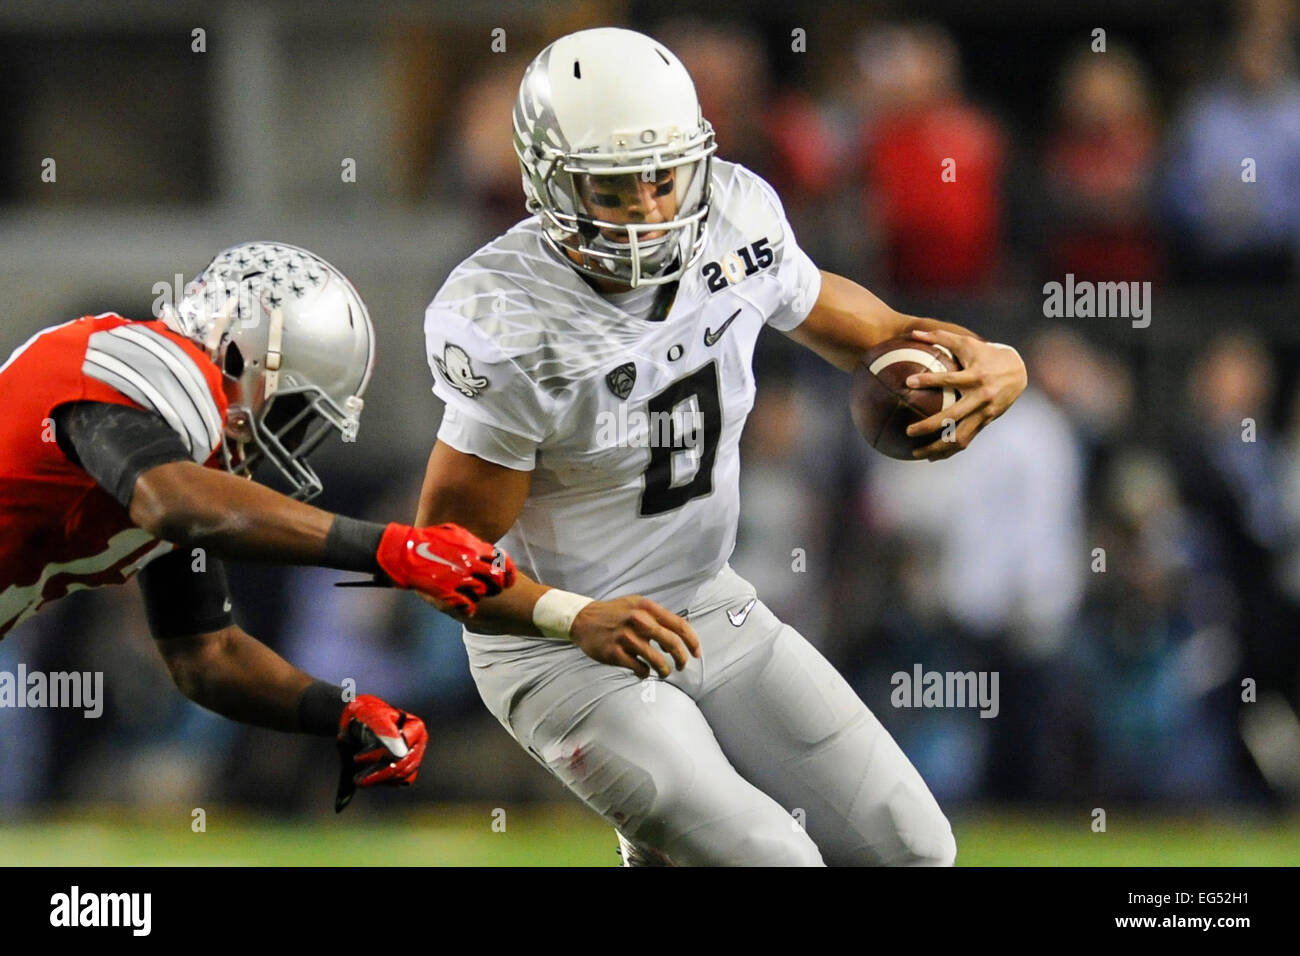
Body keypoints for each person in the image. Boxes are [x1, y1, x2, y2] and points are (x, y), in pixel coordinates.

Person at [417, 29, 1026, 864]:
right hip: (558, 649)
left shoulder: (736, 219)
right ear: (546, 180)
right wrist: (573, 616)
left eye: (663, 178)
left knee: (913, 849)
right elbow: (437, 556)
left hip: (706, 605)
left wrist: (998, 360)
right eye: (613, 187)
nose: (649, 211)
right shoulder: (511, 318)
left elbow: (878, 335)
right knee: (774, 860)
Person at [0, 240, 515, 810]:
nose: (287, 441)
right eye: (292, 411)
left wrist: (340, 714)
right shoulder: (142, 371)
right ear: (240, 355)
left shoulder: (165, 466)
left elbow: (208, 659)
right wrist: (392, 550)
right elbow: (178, 505)